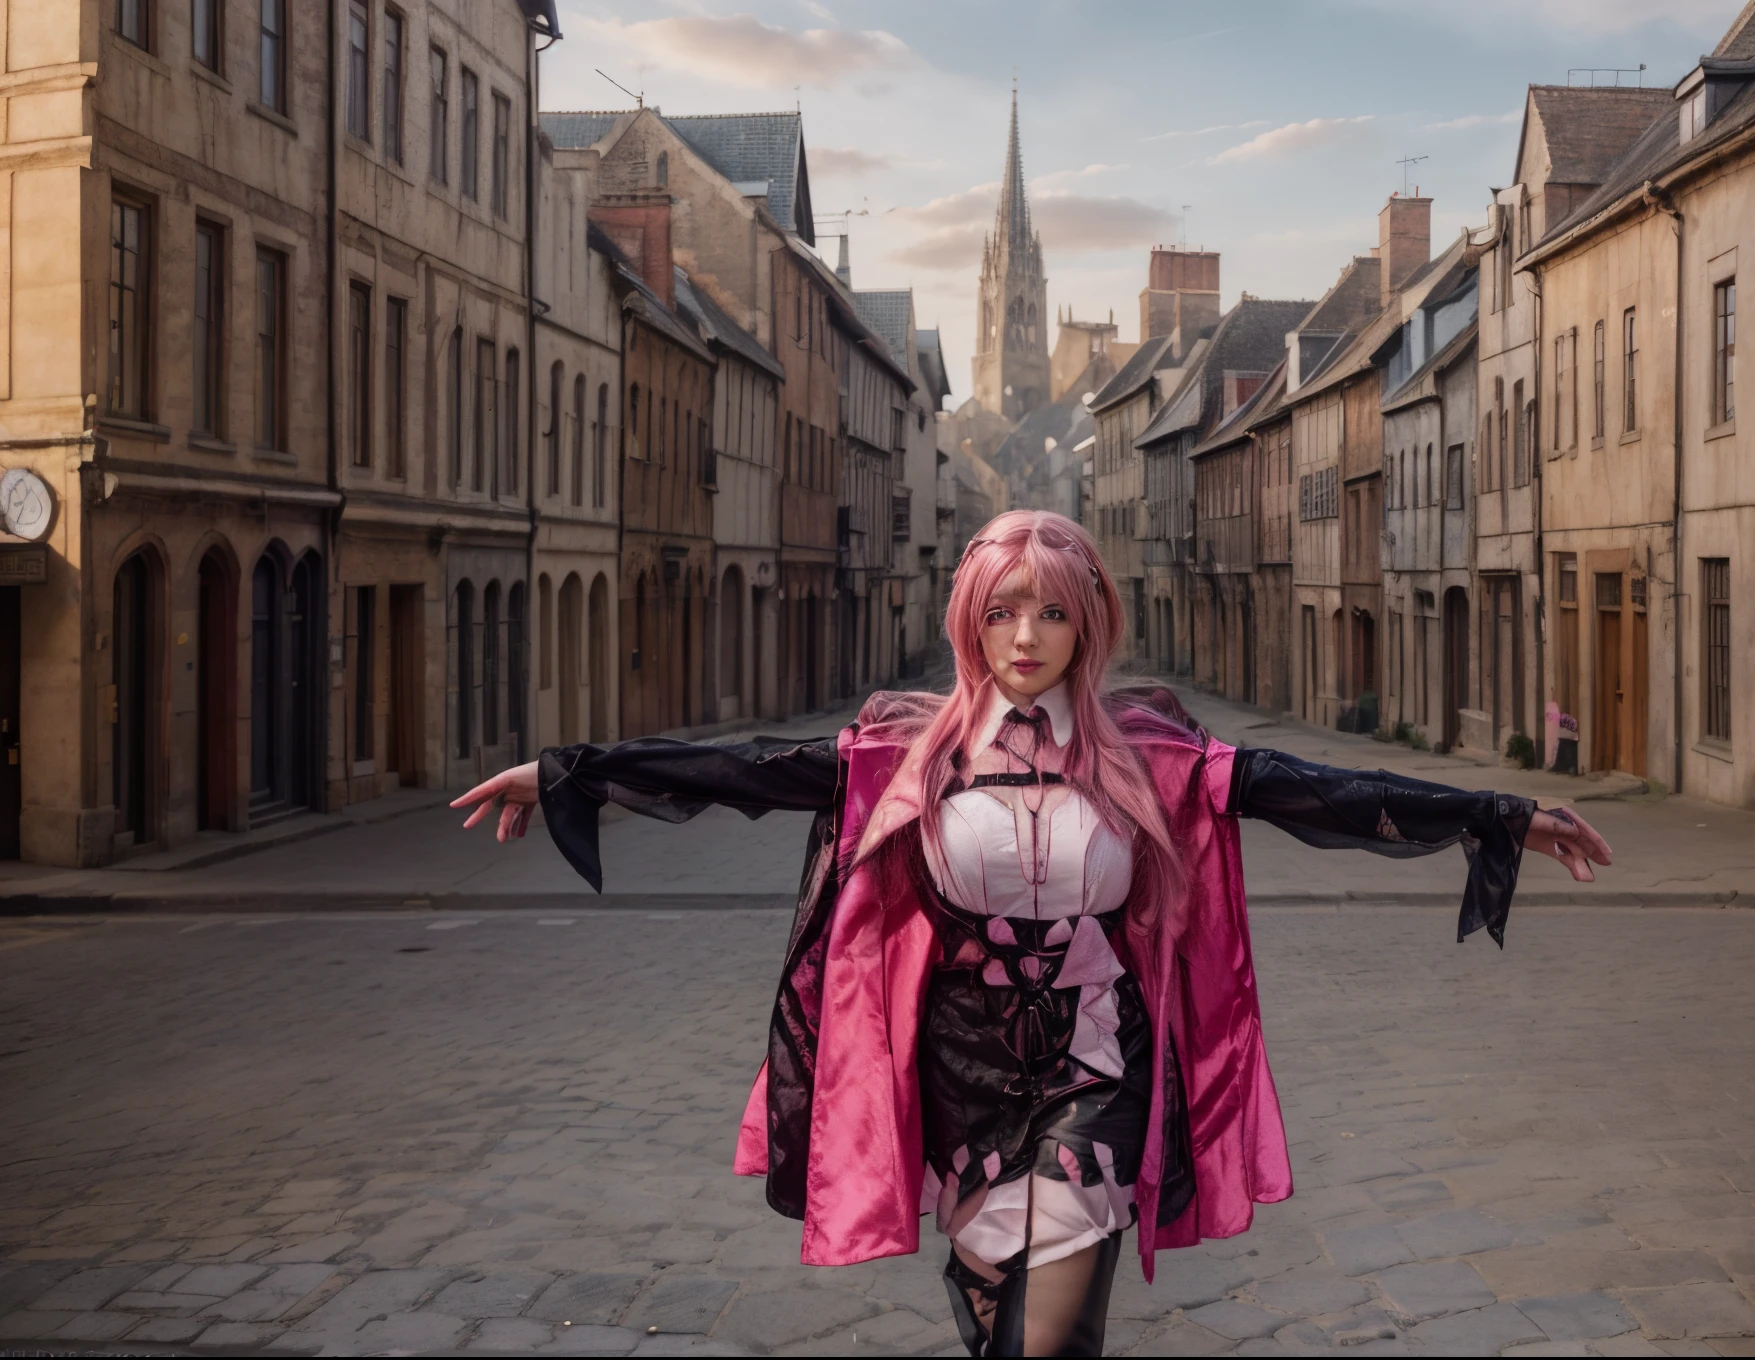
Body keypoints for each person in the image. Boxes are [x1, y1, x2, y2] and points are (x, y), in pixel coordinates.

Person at [453, 510, 1611, 1357]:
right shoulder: (907, 755)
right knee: (998, 1299)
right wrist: (567, 774)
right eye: (1004, 609)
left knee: (1046, 1337)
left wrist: (1496, 811)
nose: (1026, 634)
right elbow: (733, 771)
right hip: (958, 1071)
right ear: (970, 617)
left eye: (1052, 610)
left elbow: (1313, 788)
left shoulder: (1149, 757)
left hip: (1098, 1062)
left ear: (1085, 620)